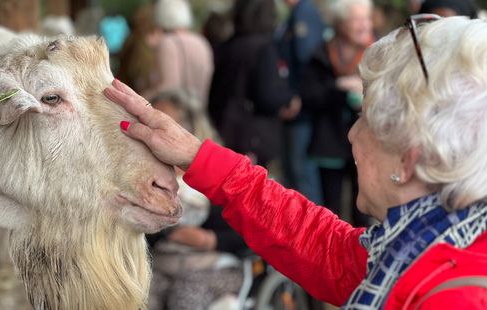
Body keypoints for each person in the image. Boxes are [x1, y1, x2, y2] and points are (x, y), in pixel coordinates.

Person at [107, 15, 487, 308]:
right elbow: (327, 249)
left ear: (408, 160)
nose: (352, 136)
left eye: (365, 120)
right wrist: (195, 155)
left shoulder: (451, 295)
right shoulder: (420, 244)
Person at [145, 89, 248, 310]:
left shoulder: (218, 174)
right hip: (165, 264)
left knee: (186, 294)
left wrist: (210, 240)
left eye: (163, 123)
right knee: (140, 294)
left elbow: (250, 233)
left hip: (219, 266)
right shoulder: (147, 176)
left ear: (188, 130)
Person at [300, 0, 374, 226]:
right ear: (341, 23)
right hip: (329, 142)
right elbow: (309, 95)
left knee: (364, 208)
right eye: (356, 20)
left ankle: (363, 256)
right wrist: (339, 88)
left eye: (366, 19)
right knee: (330, 210)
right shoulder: (321, 53)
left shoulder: (377, 52)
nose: (364, 25)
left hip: (366, 143)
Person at [208, 0, 301, 167]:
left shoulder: (229, 45)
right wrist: (289, 98)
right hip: (252, 137)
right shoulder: (263, 48)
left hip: (226, 129)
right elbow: (267, 96)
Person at [276, 0, 325, 203]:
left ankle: (314, 232)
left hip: (301, 109)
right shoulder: (293, 14)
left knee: (301, 171)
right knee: (292, 170)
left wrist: (295, 95)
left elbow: (306, 59)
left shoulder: (304, 13)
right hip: (293, 105)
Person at [144, 0, 214, 108]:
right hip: (199, 111)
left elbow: (168, 86)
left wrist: (141, 98)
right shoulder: (202, 42)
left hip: (177, 114)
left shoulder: (168, 42)